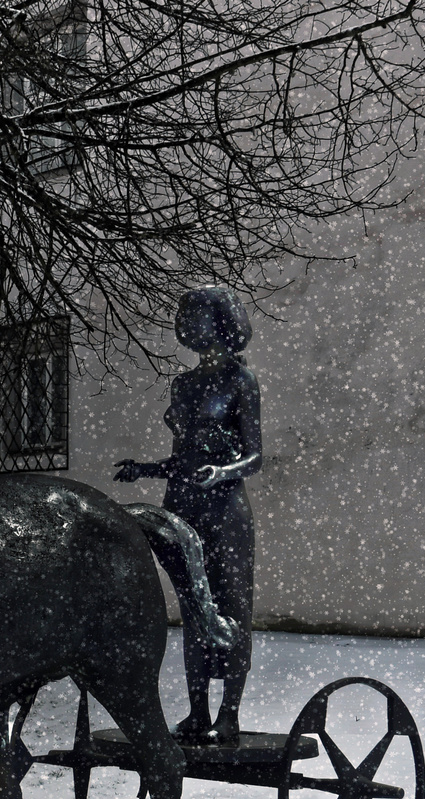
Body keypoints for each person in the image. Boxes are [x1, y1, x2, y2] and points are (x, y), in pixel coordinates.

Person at [114, 286, 261, 744]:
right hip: (181, 506)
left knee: (230, 606)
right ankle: (198, 711)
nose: (187, 326)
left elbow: (255, 457)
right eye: (185, 317)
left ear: (219, 322)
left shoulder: (242, 381)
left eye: (194, 316)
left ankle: (229, 714)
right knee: (194, 609)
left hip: (224, 511)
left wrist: (221, 472)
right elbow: (181, 457)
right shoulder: (184, 383)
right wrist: (146, 468)